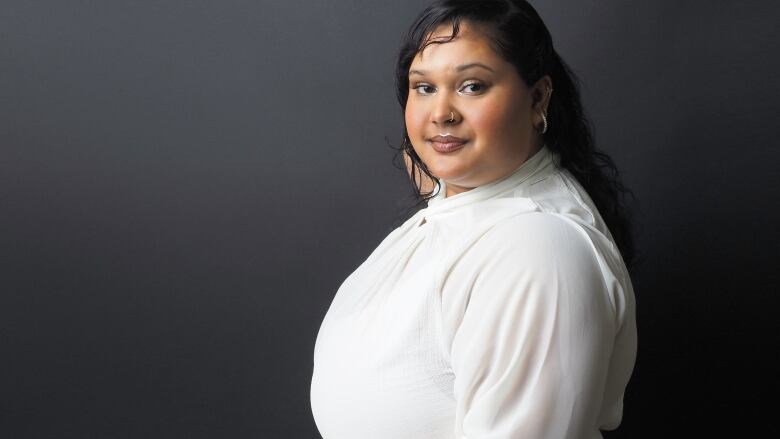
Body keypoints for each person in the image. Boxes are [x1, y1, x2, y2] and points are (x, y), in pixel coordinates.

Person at [310, 1, 637, 438]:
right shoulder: (470, 199)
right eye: (423, 88)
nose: (441, 113)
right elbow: (433, 161)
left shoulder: (537, 250)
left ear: (538, 96)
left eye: (472, 86)